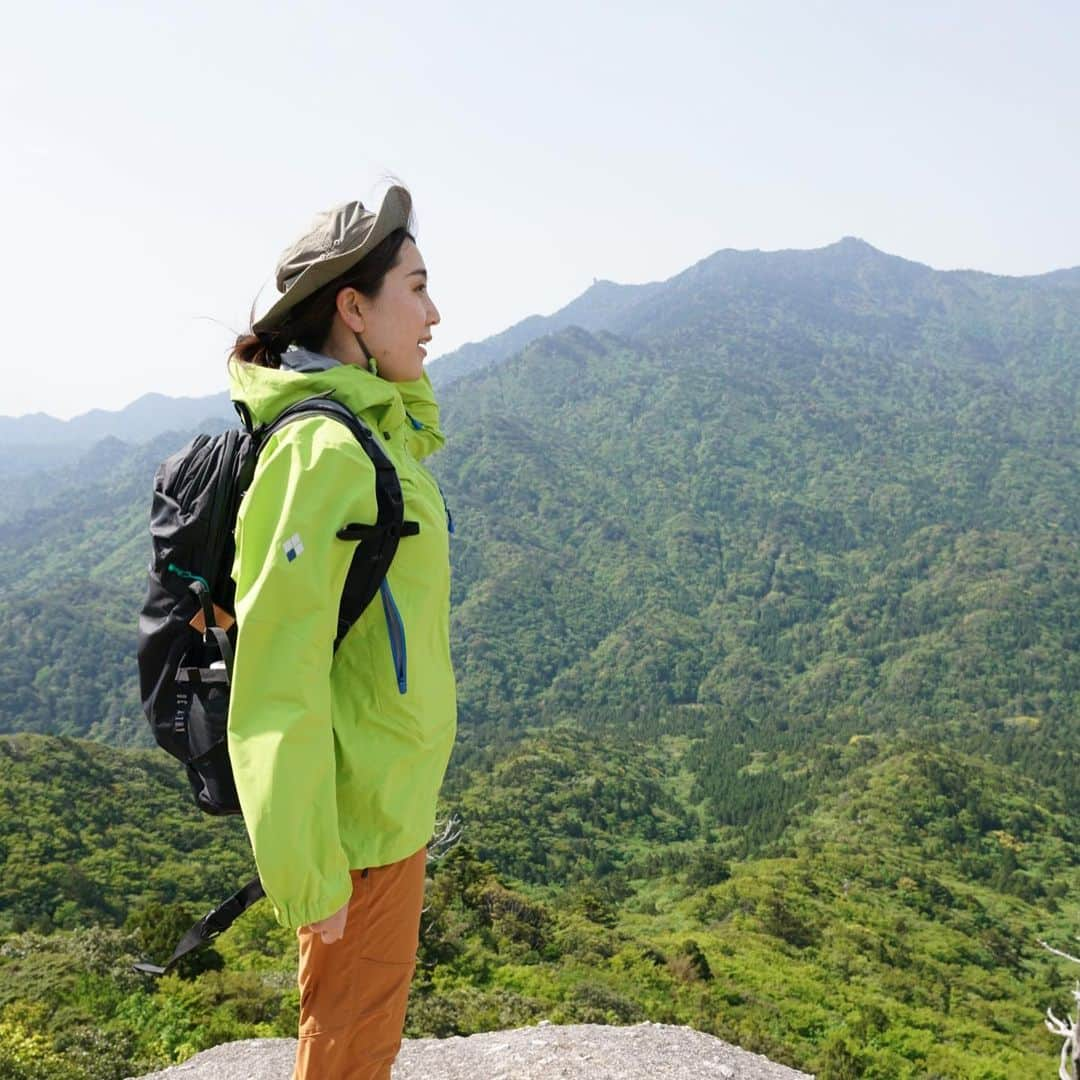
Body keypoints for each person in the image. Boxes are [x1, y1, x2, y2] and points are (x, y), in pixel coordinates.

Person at [224, 185, 457, 1080]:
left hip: (386, 805)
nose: (434, 314)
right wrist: (309, 871)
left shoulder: (370, 432)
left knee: (368, 1042)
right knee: (350, 1052)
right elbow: (275, 674)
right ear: (353, 307)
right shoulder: (319, 453)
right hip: (355, 830)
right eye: (417, 288)